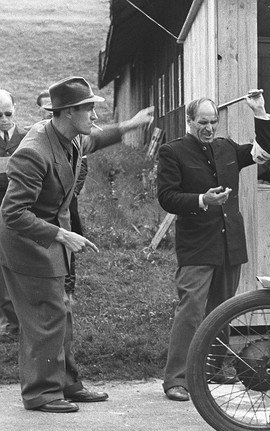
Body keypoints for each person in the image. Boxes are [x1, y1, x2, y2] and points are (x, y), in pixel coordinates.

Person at [0, 76, 154, 413]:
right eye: (89, 109)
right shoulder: (34, 151)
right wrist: (60, 235)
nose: (95, 116)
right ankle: (41, 393)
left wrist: (131, 124)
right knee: (46, 317)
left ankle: (66, 384)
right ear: (69, 112)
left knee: (62, 312)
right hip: (28, 246)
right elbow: (11, 213)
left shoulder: (70, 136)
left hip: (52, 241)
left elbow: (95, 139)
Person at [157, 92, 270, 402]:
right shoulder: (173, 152)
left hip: (229, 241)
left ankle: (213, 368)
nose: (208, 129)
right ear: (190, 121)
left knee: (222, 309)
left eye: (212, 123)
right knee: (192, 310)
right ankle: (177, 379)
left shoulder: (226, 148)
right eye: (202, 123)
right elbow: (167, 197)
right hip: (196, 243)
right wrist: (201, 200)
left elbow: (264, 152)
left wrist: (260, 113)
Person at [37, 90, 89, 302]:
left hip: (67, 203)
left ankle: (67, 287)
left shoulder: (74, 138)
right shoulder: (37, 141)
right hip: (44, 208)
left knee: (70, 240)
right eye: (46, 107)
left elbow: (82, 165)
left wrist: (71, 191)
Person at [0, 90, 25, 343]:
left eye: (8, 113)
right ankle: (10, 322)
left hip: (24, 212)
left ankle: (28, 318)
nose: (4, 119)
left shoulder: (27, 138)